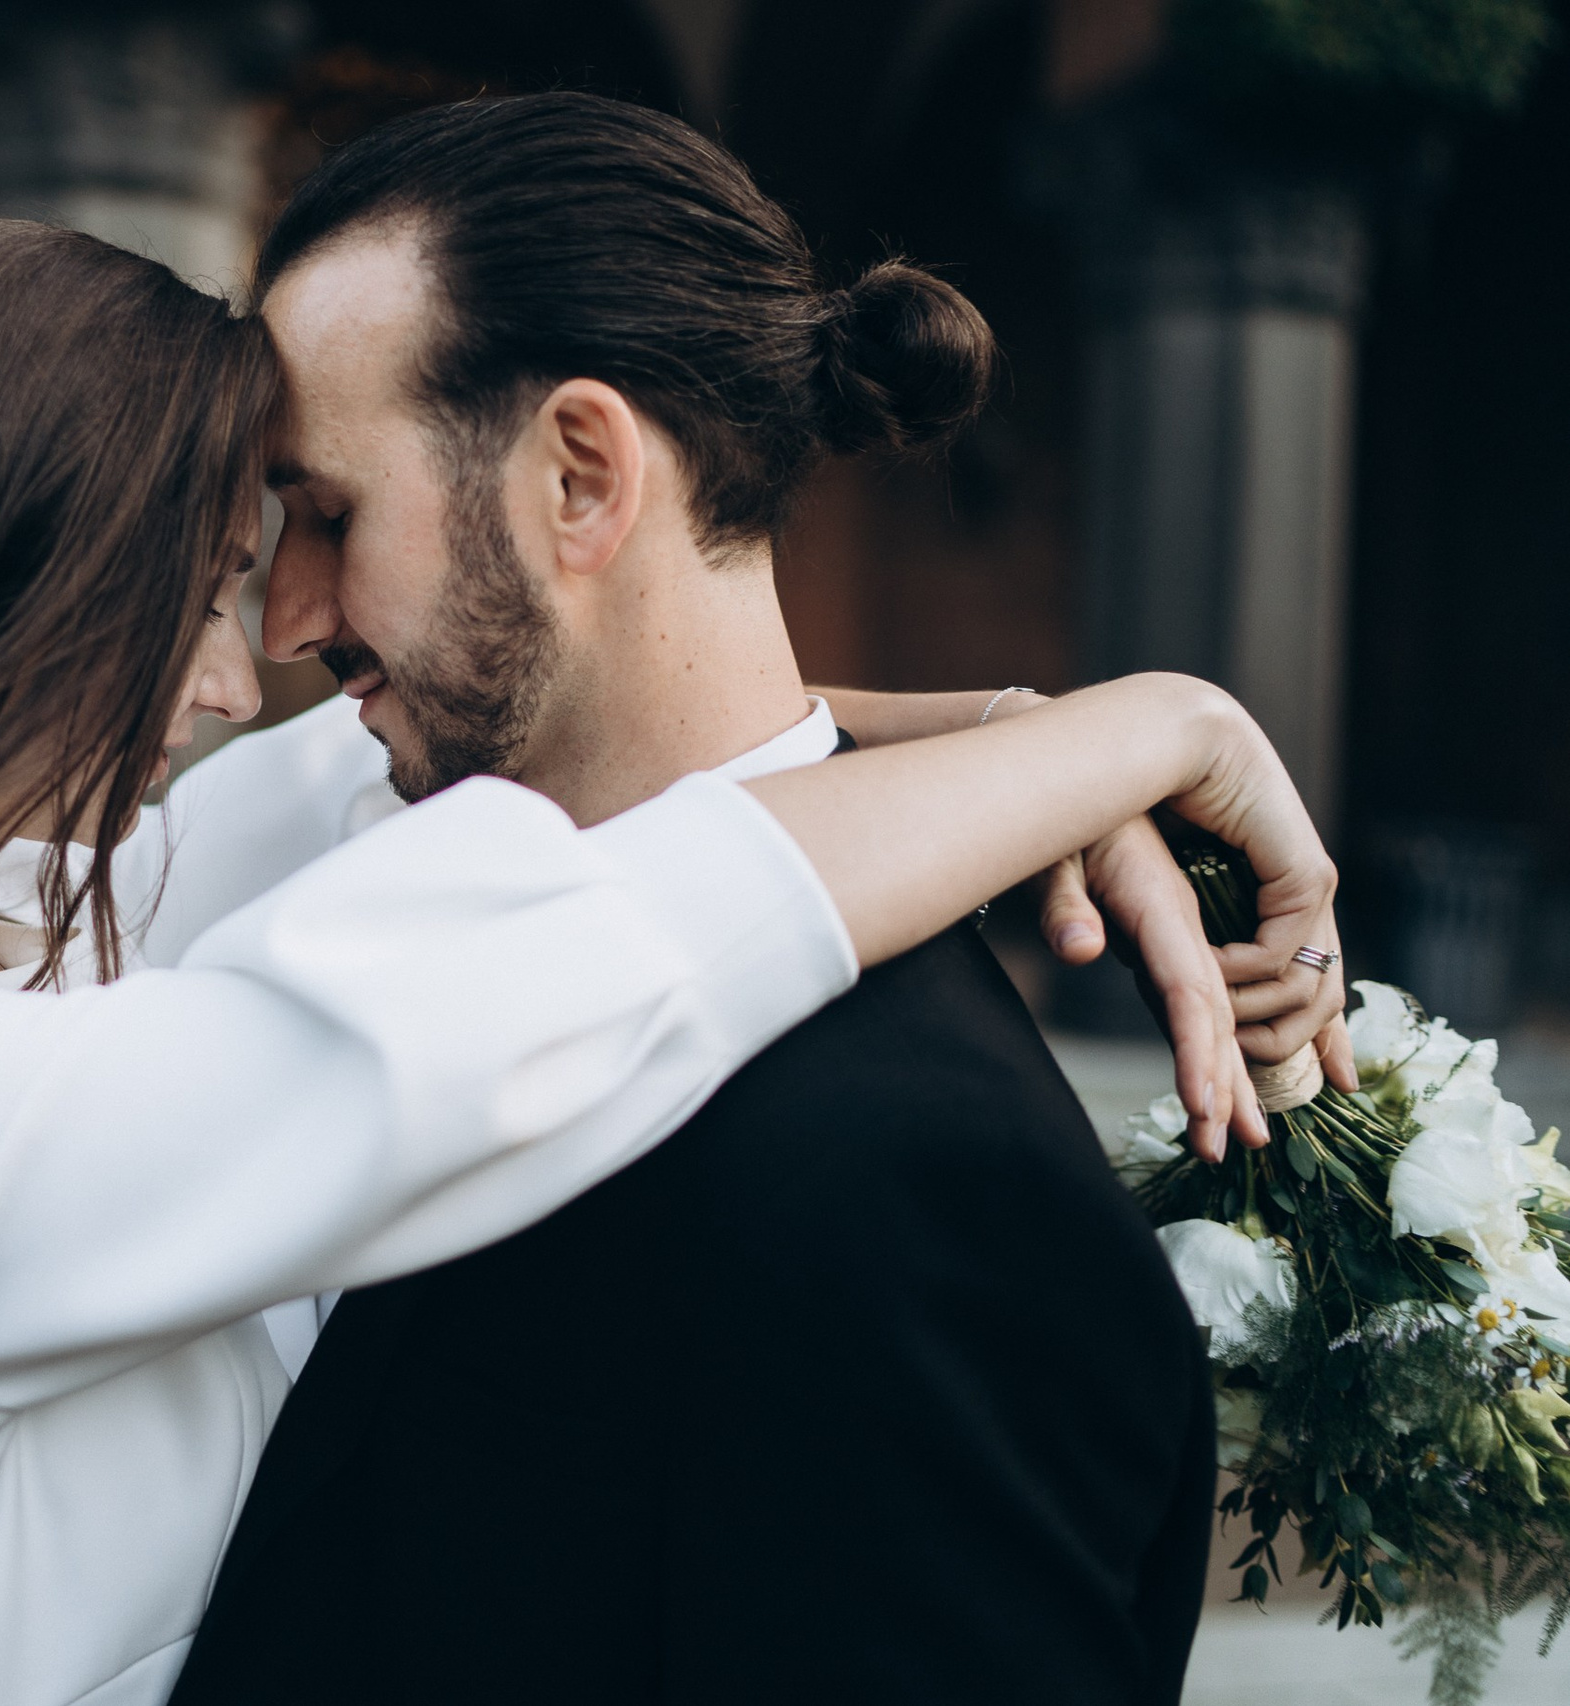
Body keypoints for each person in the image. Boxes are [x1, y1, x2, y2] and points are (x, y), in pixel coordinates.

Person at [0, 217, 1336, 1706]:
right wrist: (1143, 727)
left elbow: (591, 765)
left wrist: (1033, 734)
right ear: (3, 578)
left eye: (309, 533)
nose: (252, 666)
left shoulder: (72, 922)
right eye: (211, 584)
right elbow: (518, 970)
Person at [159, 93, 1349, 1706]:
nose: (285, 619)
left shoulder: (925, 1188)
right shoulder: (370, 860)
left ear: (582, 475)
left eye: (329, 516)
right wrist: (1057, 735)